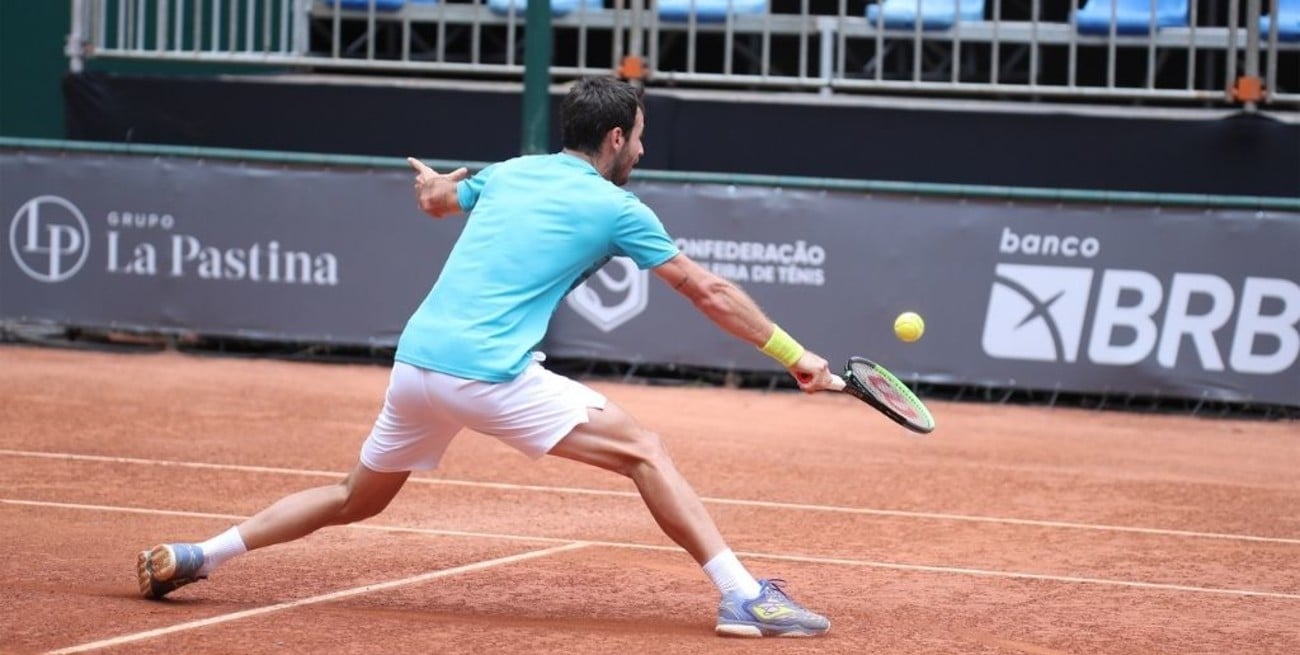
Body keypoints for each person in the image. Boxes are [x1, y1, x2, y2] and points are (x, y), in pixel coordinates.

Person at [136, 76, 837, 638]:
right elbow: (708, 290)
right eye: (640, 137)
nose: (643, 151)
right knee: (645, 451)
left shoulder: (511, 172)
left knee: (354, 497)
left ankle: (201, 553)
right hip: (487, 373)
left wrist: (433, 189)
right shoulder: (619, 208)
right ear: (616, 138)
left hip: (417, 366)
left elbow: (440, 199)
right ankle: (742, 596)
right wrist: (793, 354)